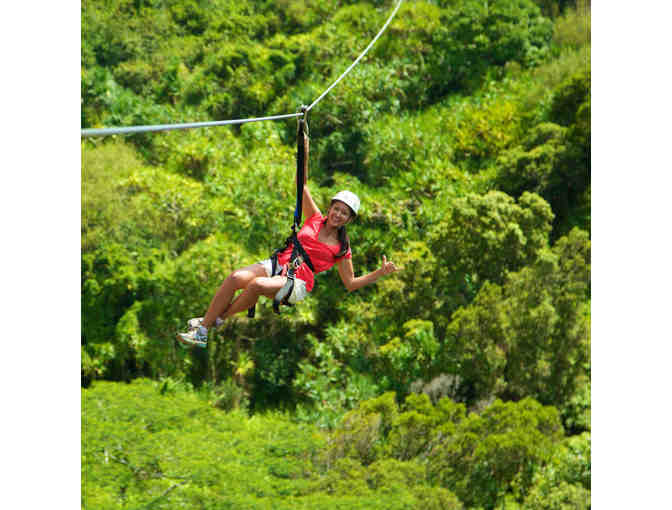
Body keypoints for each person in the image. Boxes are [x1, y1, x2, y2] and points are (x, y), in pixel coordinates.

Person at [177, 138, 399, 348]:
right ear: (330, 208)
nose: (338, 215)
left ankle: (209, 325)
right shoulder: (314, 217)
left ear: (349, 220)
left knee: (256, 285)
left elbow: (350, 283)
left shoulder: (341, 248)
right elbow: (300, 185)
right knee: (236, 278)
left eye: (344, 213)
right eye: (336, 209)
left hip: (298, 282)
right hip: (280, 263)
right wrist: (304, 151)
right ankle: (206, 326)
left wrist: (379, 273)